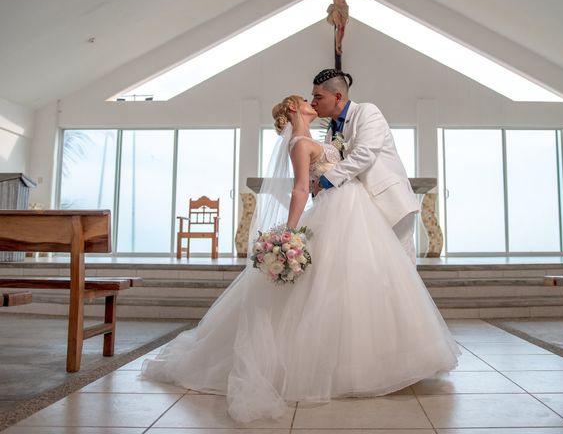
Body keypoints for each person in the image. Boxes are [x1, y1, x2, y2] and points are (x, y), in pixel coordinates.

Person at [141, 95, 459, 424]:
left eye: (315, 96)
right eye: (305, 99)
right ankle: (346, 368)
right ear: (293, 109)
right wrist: (289, 233)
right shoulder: (299, 143)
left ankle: (377, 360)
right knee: (333, 287)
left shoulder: (317, 138)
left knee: (359, 283)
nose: (311, 101)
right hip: (339, 212)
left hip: (351, 210)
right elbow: (299, 190)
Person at [311, 68, 420, 262]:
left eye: (318, 97)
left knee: (401, 266)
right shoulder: (332, 129)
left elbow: (365, 153)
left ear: (337, 96)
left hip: (389, 201)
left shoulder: (367, 111)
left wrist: (327, 179)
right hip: (361, 210)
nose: (313, 103)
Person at [301, 0, 374, 55]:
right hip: (336, 7)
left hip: (344, 8)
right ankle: (337, 45)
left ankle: (340, 44)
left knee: (342, 29)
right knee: (339, 26)